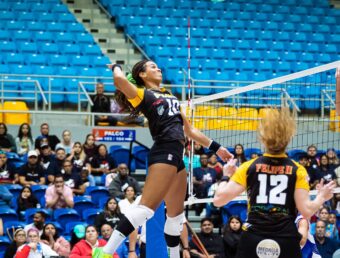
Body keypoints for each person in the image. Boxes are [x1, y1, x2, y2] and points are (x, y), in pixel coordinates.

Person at [92, 60, 232, 258]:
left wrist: (216, 148)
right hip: (163, 151)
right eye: (152, 66)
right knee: (146, 209)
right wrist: (116, 66)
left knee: (176, 218)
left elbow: (189, 130)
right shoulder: (142, 95)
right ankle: (104, 252)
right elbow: (119, 80)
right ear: (142, 74)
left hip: (177, 157)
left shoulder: (169, 95)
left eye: (158, 66)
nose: (158, 68)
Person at [213, 107, 336, 258]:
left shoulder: (248, 167)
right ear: (289, 137)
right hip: (286, 238)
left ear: (263, 137)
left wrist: (226, 175)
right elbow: (307, 211)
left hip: (253, 237)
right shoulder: (297, 170)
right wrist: (321, 197)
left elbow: (218, 200)